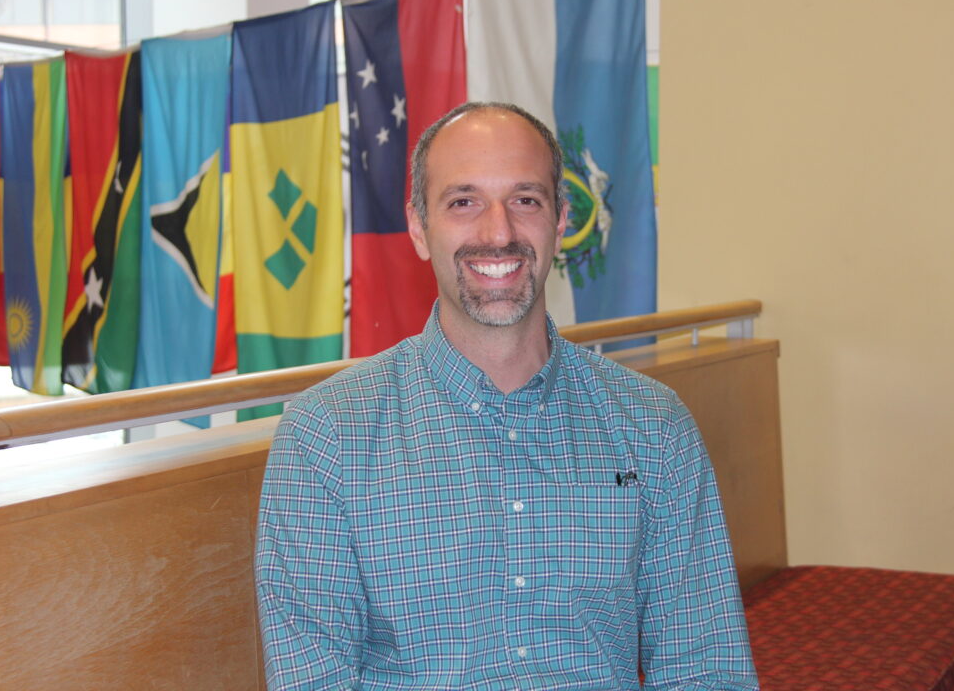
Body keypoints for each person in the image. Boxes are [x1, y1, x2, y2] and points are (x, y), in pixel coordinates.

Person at [254, 102, 759, 691]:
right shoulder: (326, 438)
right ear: (419, 226)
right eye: (463, 202)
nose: (498, 233)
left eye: (525, 200)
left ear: (561, 220)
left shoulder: (655, 426)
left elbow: (705, 669)